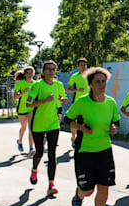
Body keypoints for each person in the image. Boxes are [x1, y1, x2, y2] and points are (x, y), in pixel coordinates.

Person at [64, 67, 120, 206]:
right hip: (85, 151)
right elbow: (67, 119)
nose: (102, 84)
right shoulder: (82, 102)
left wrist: (114, 129)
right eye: (98, 82)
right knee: (88, 191)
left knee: (104, 187)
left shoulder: (111, 102)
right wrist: (80, 127)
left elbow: (116, 122)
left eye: (104, 81)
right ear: (90, 84)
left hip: (104, 150)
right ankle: (79, 195)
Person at [25, 60, 68, 197]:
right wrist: (45, 101)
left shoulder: (59, 85)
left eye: (53, 69)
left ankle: (51, 185)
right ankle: (34, 169)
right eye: (48, 69)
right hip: (38, 123)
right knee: (39, 152)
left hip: (53, 124)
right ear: (43, 71)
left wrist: (63, 99)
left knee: (52, 154)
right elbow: (28, 104)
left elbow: (60, 97)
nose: (51, 72)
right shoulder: (37, 85)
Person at [13, 67, 36, 156]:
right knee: (24, 127)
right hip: (22, 108)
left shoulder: (35, 83)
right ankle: (20, 141)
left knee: (31, 128)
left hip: (31, 108)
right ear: (25, 74)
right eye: (28, 73)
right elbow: (14, 97)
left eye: (31, 73)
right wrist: (24, 92)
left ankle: (31, 148)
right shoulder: (20, 83)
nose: (30, 75)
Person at [66, 57, 89, 145]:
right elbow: (68, 89)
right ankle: (73, 137)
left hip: (88, 102)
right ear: (78, 66)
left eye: (85, 65)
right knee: (74, 121)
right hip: (77, 102)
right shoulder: (74, 76)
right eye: (81, 65)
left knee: (87, 121)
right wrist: (77, 90)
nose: (83, 67)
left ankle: (83, 140)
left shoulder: (90, 75)